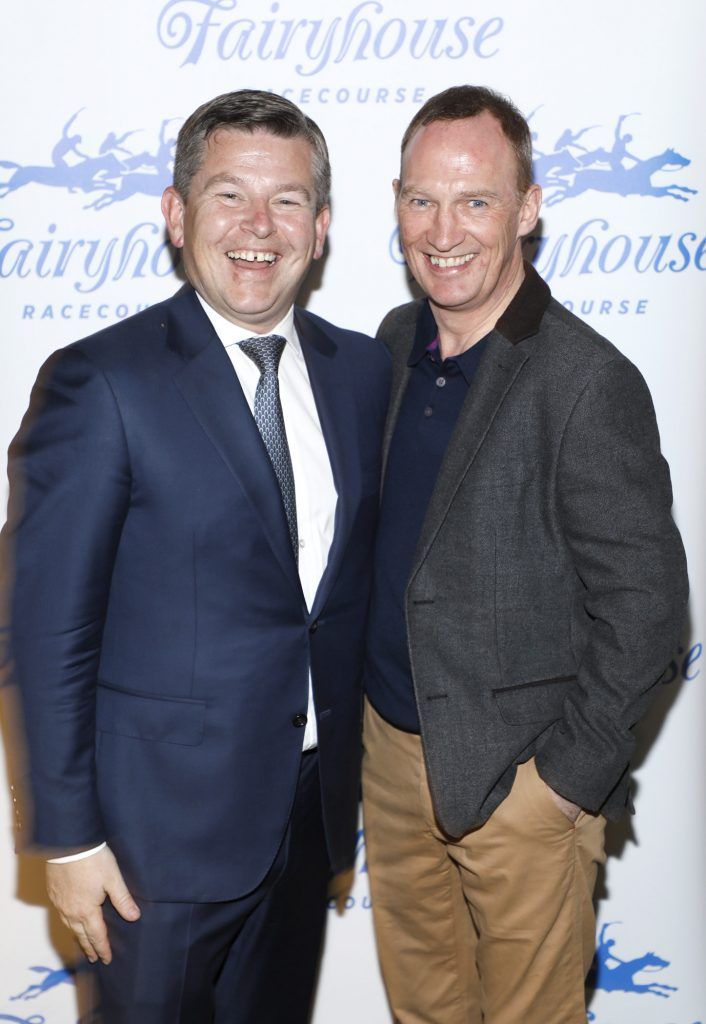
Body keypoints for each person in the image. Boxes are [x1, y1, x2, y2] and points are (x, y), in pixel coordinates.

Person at [4, 89, 390, 1023]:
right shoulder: (102, 381)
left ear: (322, 225)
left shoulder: (362, 372)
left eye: (288, 200)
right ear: (177, 216)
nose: (259, 226)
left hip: (303, 825)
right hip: (148, 849)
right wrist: (65, 839)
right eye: (228, 195)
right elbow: (40, 627)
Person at [362, 85, 688, 1024]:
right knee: (424, 1010)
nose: (444, 228)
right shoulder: (391, 345)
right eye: (422, 199)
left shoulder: (587, 382)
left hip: (519, 782)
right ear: (396, 205)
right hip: (392, 762)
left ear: (528, 210)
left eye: (475, 200)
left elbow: (649, 605)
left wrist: (559, 790)